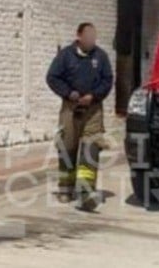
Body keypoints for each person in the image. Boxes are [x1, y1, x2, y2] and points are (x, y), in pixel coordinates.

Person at [46, 22, 113, 211]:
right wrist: (69, 93)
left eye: (94, 36)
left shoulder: (101, 56)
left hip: (93, 110)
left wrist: (94, 95)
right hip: (70, 108)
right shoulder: (65, 56)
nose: (92, 40)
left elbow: (108, 80)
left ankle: (86, 193)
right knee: (67, 147)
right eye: (88, 36)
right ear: (79, 36)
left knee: (91, 147)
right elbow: (52, 77)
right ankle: (66, 188)